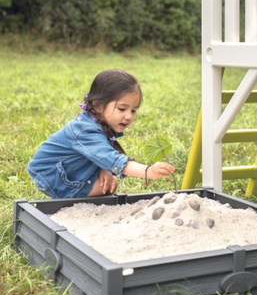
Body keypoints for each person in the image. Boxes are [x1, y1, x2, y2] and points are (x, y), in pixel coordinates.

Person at [27, 69, 174, 199]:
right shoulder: (86, 130)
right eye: (122, 109)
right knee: (107, 187)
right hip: (50, 174)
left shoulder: (100, 121)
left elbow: (100, 152)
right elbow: (112, 159)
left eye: (133, 110)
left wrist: (102, 168)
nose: (129, 116)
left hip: (69, 167)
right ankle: (68, 200)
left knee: (109, 182)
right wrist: (149, 171)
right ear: (97, 105)